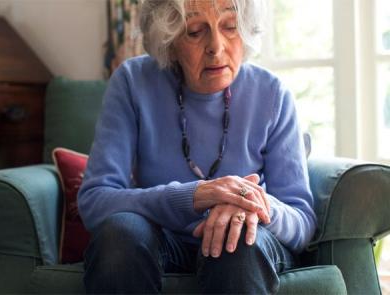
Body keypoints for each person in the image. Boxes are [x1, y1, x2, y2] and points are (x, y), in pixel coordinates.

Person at [78, 0, 317, 293]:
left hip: (243, 246)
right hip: (160, 241)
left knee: (238, 236)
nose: (216, 46)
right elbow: (95, 200)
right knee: (119, 235)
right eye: (194, 31)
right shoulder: (132, 83)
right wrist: (194, 195)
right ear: (170, 39)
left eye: (230, 27)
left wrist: (251, 203)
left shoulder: (272, 94)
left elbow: (302, 221)